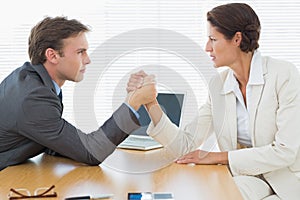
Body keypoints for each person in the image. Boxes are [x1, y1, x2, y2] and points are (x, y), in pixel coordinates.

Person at [127, 3, 300, 200]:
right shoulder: (219, 85)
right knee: (209, 192)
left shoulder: (283, 75)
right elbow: (185, 145)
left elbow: (285, 151)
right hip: (248, 178)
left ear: (237, 39)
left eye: (213, 39)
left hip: (286, 181)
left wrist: (218, 157)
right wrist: (151, 103)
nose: (207, 47)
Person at [0, 16, 157, 171]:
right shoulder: (33, 99)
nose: (87, 60)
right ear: (52, 55)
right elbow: (92, 152)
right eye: (80, 52)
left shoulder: (28, 79)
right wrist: (133, 102)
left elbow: (45, 135)